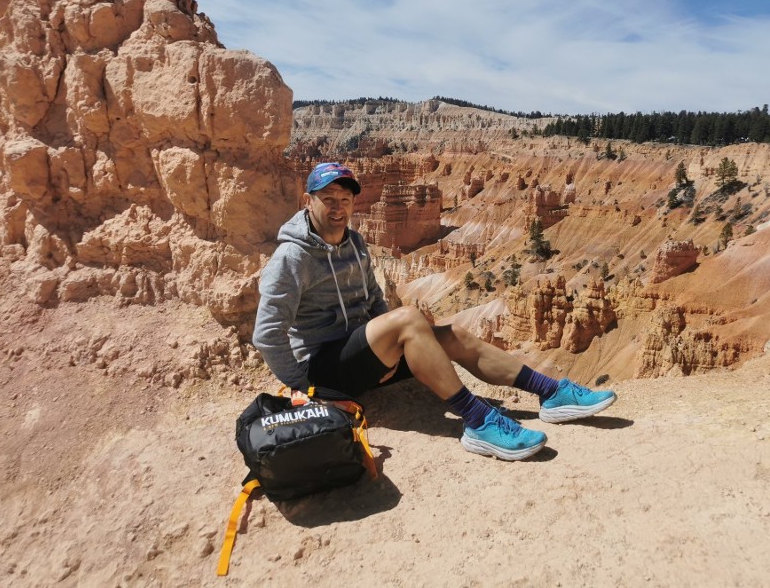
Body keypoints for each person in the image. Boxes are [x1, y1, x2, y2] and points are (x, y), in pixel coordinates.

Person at [253, 161, 616, 461]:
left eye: (345, 199)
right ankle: (478, 423)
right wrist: (306, 389)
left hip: (361, 355)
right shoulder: (292, 257)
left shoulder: (355, 242)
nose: (337, 207)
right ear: (308, 201)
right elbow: (267, 334)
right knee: (411, 318)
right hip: (325, 371)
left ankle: (551, 393)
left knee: (451, 334)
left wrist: (386, 349)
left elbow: (375, 298)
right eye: (327, 198)